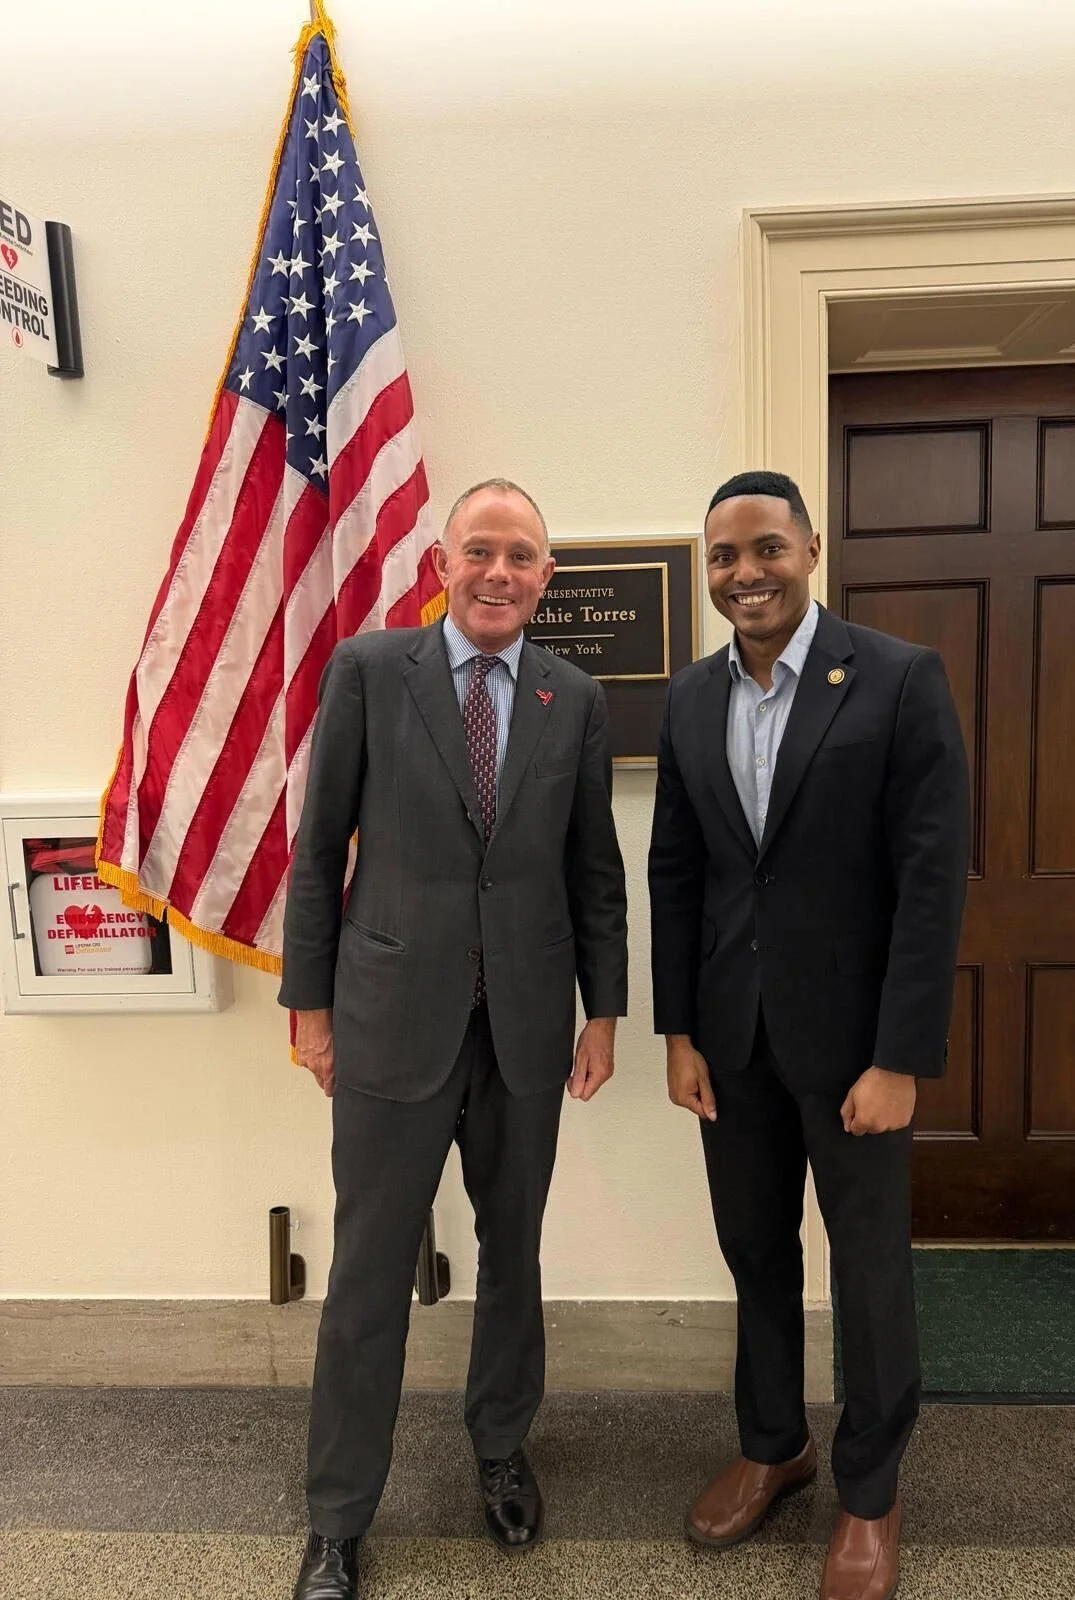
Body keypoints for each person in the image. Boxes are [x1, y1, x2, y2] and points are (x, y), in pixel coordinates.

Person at [280, 479, 628, 1600]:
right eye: (480, 550)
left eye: (521, 555)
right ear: (443, 564)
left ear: (546, 577)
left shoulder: (572, 696)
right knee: (367, 1273)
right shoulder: (373, 672)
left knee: (512, 1254)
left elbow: (593, 870)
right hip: (390, 1022)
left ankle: (500, 1448)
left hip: (526, 1027)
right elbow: (316, 846)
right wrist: (313, 1005)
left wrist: (604, 1012)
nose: (499, 572)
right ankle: (336, 1518)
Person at [648, 470, 969, 1600]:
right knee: (755, 1251)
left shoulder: (894, 679)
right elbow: (677, 873)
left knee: (869, 1271)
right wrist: (677, 1029)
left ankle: (870, 1493)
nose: (746, 573)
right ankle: (775, 1442)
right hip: (729, 1045)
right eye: (725, 556)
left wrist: (901, 1056)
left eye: (767, 549)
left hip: (855, 1052)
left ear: (812, 548)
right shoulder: (689, 697)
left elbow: (932, 885)